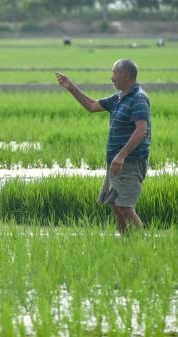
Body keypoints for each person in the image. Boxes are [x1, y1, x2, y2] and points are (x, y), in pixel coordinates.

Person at [55, 59, 151, 235]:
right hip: (116, 163)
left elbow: (141, 131)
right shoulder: (118, 98)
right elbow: (92, 106)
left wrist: (121, 156)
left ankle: (142, 245)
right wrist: (71, 87)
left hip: (129, 161)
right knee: (116, 205)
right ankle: (124, 242)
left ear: (126, 75)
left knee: (125, 207)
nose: (111, 77)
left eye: (114, 73)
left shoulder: (138, 99)